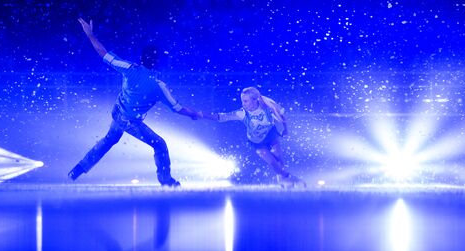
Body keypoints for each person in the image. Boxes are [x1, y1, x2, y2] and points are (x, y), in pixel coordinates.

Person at [69, 18, 201, 186]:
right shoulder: (158, 86)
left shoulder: (130, 69)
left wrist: (90, 35)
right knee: (160, 145)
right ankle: (166, 181)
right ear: (158, 62)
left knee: (109, 140)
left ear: (142, 59)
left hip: (118, 114)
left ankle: (77, 170)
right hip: (130, 121)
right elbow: (177, 108)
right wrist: (194, 114)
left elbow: (103, 53)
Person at [199, 87, 306, 187]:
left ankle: (282, 177)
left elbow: (282, 115)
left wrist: (286, 129)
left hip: (270, 134)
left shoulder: (267, 106)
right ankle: (287, 177)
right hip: (256, 141)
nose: (243, 104)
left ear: (255, 100)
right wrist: (202, 115)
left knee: (278, 156)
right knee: (272, 161)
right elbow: (221, 117)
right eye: (242, 101)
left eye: (246, 101)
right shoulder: (242, 113)